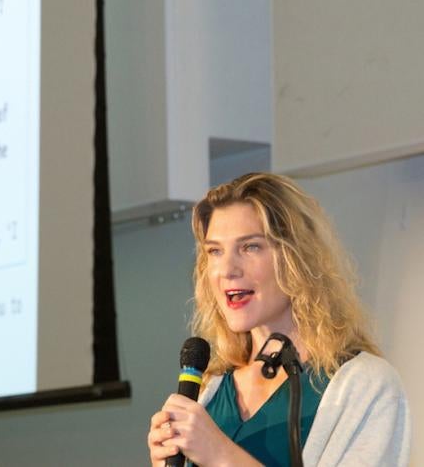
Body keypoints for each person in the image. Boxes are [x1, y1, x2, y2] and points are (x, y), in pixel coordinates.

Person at [147, 173, 411, 466]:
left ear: (296, 258)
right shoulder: (210, 389)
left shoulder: (366, 385)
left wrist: (221, 455)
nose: (227, 269)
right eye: (215, 251)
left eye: (250, 247)